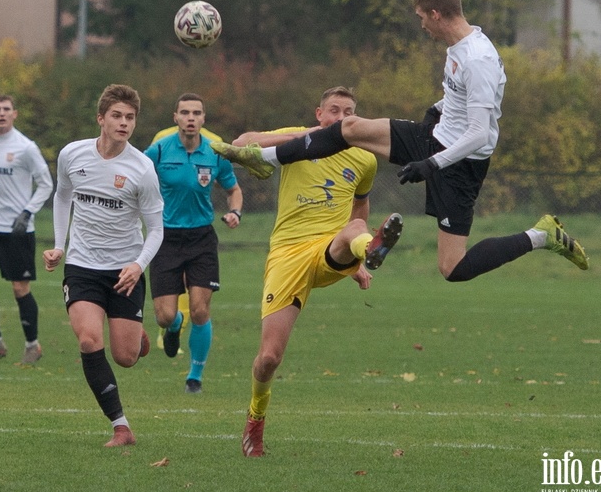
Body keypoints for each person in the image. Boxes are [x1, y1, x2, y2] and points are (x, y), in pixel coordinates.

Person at [212, 0, 589, 286]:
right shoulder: (458, 47)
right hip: (434, 137)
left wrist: (431, 165)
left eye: (423, 17)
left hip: (461, 163)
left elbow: (478, 132)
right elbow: (459, 101)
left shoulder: (479, 60)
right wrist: (437, 110)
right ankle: (262, 159)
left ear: (438, 14)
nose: (422, 24)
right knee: (349, 127)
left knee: (452, 269)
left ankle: (541, 235)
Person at [218, 86, 404, 457]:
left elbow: (360, 211)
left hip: (329, 248)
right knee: (269, 358)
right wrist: (307, 137)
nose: (341, 118)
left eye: (348, 112)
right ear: (319, 114)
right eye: (333, 111)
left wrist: (358, 254)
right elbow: (242, 144)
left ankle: (369, 250)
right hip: (286, 256)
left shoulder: (364, 159)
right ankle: (254, 423)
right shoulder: (298, 141)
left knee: (354, 229)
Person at [42, 84, 164, 447]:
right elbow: (63, 195)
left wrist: (139, 265)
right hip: (81, 266)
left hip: (125, 270)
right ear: (101, 118)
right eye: (117, 116)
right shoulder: (72, 155)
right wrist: (58, 246)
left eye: (130, 118)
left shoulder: (142, 169)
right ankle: (121, 426)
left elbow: (157, 229)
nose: (124, 123)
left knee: (125, 357)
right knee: (87, 339)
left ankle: (135, 336)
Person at [145, 93, 244, 394]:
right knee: (164, 315)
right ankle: (174, 327)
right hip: (164, 238)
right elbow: (134, 180)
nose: (190, 118)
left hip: (201, 237)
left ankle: (194, 377)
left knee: (200, 310)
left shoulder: (214, 153)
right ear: (175, 117)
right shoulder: (158, 152)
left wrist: (234, 211)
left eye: (196, 113)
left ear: (203, 119)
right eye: (185, 112)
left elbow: (233, 189)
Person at [0, 94, 53, 364]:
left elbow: (47, 183)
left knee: (20, 289)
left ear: (15, 114)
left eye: (6, 109)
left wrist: (27, 212)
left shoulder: (26, 147)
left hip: (18, 231)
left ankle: (32, 345)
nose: (1, 113)